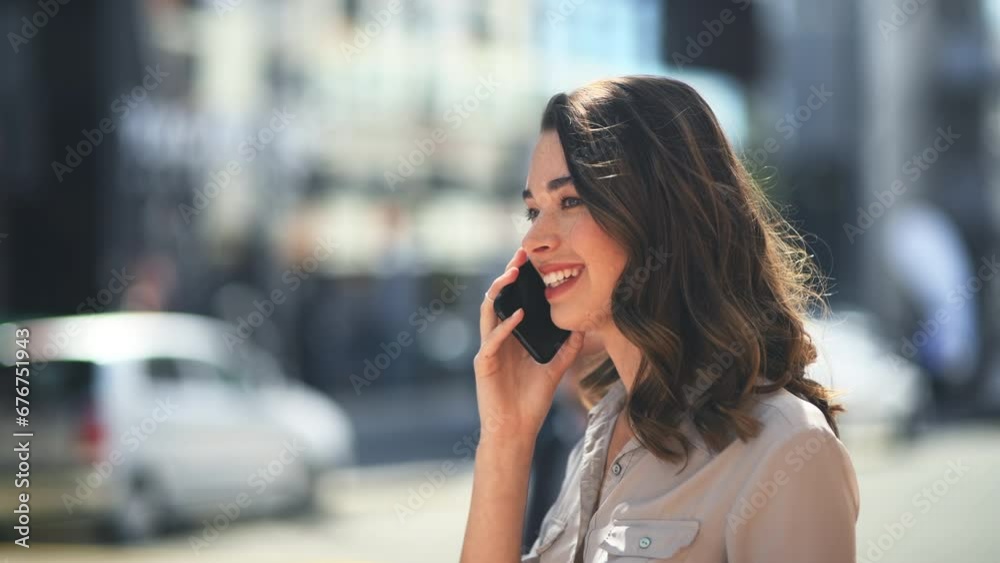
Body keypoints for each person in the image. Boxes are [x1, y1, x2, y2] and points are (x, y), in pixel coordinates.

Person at [460, 75, 859, 563]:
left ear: (660, 214)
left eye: (570, 201)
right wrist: (507, 438)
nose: (533, 241)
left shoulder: (787, 449)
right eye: (533, 211)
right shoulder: (598, 439)